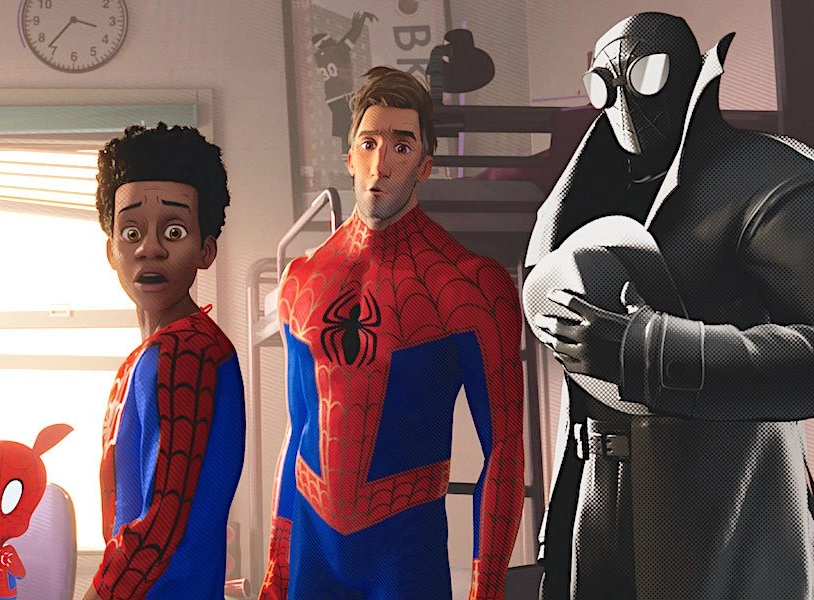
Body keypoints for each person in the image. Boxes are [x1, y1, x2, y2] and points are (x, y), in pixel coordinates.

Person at [524, 12, 814, 600]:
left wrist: (649, 350)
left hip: (728, 507)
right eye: (605, 84)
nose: (627, 101)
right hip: (594, 504)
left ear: (687, 70)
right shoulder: (581, 194)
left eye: (646, 72)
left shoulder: (764, 172)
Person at [261, 66, 525, 600]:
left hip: (404, 553)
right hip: (312, 547)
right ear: (349, 157)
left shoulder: (471, 285)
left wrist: (487, 587)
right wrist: (276, 567)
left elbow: (503, 447)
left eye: (401, 147)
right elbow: (299, 430)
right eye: (369, 143)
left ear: (425, 165)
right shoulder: (301, 278)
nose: (381, 164)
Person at [82, 123, 245, 600]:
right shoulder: (152, 355)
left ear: (206, 250)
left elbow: (161, 523)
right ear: (111, 250)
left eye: (174, 231)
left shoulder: (186, 350)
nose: (149, 248)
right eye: (131, 231)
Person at [312, 11, 377, 155]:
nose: (335, 40)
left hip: (332, 98)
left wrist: (354, 26)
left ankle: (348, 157)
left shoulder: (320, 56)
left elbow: (341, 43)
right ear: (326, 42)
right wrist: (358, 24)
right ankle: (353, 157)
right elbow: (350, 39)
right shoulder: (338, 51)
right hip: (343, 96)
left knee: (346, 131)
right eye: (331, 40)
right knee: (354, 128)